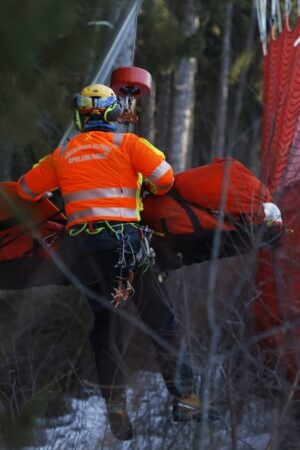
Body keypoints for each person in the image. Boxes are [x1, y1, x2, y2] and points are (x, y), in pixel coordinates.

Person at [17, 83, 211, 440]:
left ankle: (115, 407)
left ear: (79, 115)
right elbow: (166, 181)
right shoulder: (130, 144)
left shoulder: (62, 154)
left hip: (83, 254)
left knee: (107, 325)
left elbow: (27, 189)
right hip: (126, 245)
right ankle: (185, 398)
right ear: (112, 114)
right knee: (161, 320)